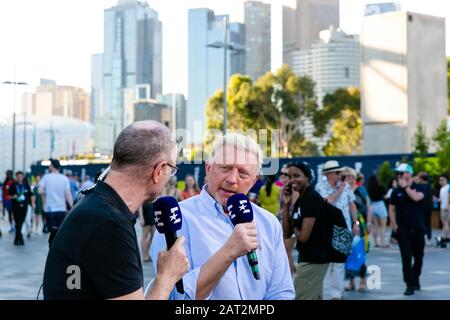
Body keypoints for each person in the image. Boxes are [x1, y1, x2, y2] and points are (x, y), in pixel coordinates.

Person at [43, 120, 189, 300]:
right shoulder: (110, 224)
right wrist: (167, 277)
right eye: (172, 169)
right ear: (159, 171)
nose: (170, 176)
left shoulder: (92, 202)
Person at [150, 133, 295, 300]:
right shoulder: (177, 219)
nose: (232, 179)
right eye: (225, 167)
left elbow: (282, 292)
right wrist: (230, 251)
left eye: (243, 173)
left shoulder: (268, 222)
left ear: (254, 181)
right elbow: (175, 296)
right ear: (209, 168)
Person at [282, 161, 329, 300]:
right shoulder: (300, 201)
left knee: (300, 297)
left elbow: (303, 237)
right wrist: (286, 204)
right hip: (308, 257)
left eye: (297, 176)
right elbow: (287, 232)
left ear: (307, 177)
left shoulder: (312, 198)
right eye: (289, 176)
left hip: (314, 259)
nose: (292, 180)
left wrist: (294, 227)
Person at [315, 160, 358, 300]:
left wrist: (356, 223)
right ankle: (322, 292)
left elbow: (352, 205)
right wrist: (339, 190)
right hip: (326, 229)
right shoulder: (320, 186)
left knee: (339, 262)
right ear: (329, 174)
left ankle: (336, 294)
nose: (341, 175)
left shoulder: (346, 187)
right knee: (325, 262)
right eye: (338, 173)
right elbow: (327, 201)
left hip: (343, 229)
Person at [388, 163, 426, 296]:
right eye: (398, 174)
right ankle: (409, 284)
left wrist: (406, 188)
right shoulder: (395, 191)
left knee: (419, 257)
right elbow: (391, 209)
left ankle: (415, 278)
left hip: (418, 228)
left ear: (409, 174)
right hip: (403, 229)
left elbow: (416, 198)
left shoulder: (420, 186)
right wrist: (394, 226)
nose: (399, 176)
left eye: (401, 173)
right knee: (406, 257)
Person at [342, 167, 372, 292]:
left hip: (360, 224)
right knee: (347, 254)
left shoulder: (361, 189)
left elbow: (368, 206)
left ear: (355, 178)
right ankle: (351, 281)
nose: (349, 179)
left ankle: (363, 280)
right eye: (346, 176)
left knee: (359, 252)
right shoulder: (342, 190)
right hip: (345, 224)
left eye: (351, 176)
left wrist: (369, 222)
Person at [39, 159, 73, 236]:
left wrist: (45, 192)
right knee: (59, 231)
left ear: (52, 166)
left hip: (49, 208)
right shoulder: (64, 178)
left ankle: (51, 247)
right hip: (61, 208)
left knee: (51, 232)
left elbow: (40, 190)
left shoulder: (46, 177)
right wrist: (72, 206)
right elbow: (68, 194)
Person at [8, 172, 34, 245]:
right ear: (16, 177)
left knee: (21, 221)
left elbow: (31, 195)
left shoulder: (26, 185)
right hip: (16, 206)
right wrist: (14, 197)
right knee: (17, 221)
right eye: (18, 176)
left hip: (24, 206)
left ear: (23, 177)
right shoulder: (13, 185)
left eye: (21, 176)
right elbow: (9, 196)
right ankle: (21, 239)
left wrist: (32, 204)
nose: (19, 178)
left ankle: (17, 239)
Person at [368, 175, 389, 248]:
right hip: (380, 205)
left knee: (375, 226)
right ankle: (383, 242)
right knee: (383, 225)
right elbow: (386, 196)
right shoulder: (380, 186)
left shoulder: (369, 188)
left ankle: (375, 242)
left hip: (373, 205)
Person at [415, 172, 434, 245]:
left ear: (421, 178)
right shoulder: (429, 186)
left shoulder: (421, 186)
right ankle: (428, 237)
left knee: (421, 222)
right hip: (429, 206)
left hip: (422, 207)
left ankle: (423, 237)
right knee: (428, 222)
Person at [438, 175, 450, 243]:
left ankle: (444, 237)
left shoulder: (448, 187)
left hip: (447, 208)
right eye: (440, 180)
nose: (440, 181)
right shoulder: (442, 189)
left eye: (442, 180)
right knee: (444, 223)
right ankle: (447, 237)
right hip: (442, 207)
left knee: (445, 223)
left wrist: (447, 205)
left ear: (446, 180)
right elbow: (441, 199)